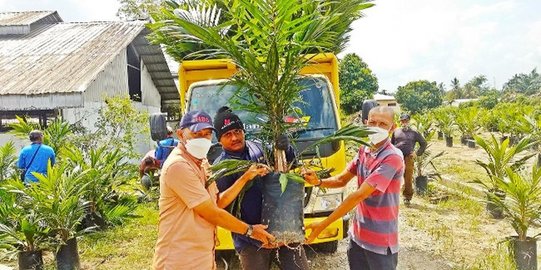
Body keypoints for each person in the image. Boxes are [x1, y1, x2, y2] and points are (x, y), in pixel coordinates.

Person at [153, 110, 274, 270]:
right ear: (181, 135)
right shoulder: (178, 166)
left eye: (207, 134)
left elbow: (217, 202)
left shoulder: (202, 163)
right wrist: (250, 230)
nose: (203, 139)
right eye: (197, 134)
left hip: (202, 255)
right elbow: (211, 213)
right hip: (179, 258)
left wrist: (245, 178)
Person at [303, 106, 404, 270]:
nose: (376, 127)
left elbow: (358, 196)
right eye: (372, 122)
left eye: (383, 124)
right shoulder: (364, 149)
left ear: (393, 128)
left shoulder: (392, 157)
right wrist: (319, 182)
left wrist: (322, 225)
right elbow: (342, 179)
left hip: (380, 241)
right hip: (358, 236)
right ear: (365, 123)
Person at [213, 106, 309, 270]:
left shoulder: (257, 148)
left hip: (284, 231)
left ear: (244, 131)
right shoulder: (220, 168)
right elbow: (219, 206)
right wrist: (244, 178)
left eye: (237, 131)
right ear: (219, 139)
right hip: (252, 241)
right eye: (227, 134)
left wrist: (286, 148)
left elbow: (289, 162)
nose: (235, 137)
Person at [391, 113, 427, 206]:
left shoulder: (414, 133)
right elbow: (391, 144)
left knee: (408, 177)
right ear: (400, 122)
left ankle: (407, 197)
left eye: (406, 121)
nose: (404, 123)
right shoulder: (396, 132)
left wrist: (417, 153)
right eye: (402, 121)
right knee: (392, 176)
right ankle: (391, 196)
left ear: (409, 121)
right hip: (397, 157)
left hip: (408, 157)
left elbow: (423, 143)